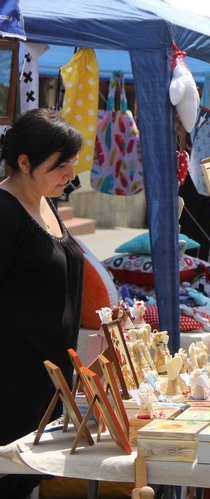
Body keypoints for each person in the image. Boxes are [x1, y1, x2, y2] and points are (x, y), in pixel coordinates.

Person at [0, 108, 84, 498]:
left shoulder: (45, 202)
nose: (70, 175)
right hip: (10, 387)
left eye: (72, 164)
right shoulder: (4, 211)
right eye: (60, 166)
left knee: (28, 478)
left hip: (47, 382)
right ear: (24, 162)